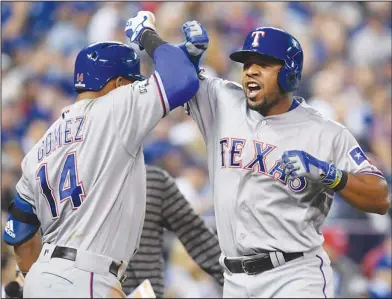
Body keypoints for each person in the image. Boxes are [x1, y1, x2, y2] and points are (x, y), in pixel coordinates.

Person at [178, 21, 390, 297]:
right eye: (247, 64)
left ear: (289, 74)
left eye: (263, 64)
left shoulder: (325, 132)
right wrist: (183, 54)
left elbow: (380, 197)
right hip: (234, 280)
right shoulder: (223, 101)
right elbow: (176, 80)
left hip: (293, 276)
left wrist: (331, 175)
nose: (251, 71)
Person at [2, 11, 199, 298]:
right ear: (118, 84)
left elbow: (20, 237)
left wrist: (43, 282)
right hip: (90, 275)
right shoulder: (115, 108)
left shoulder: (39, 147)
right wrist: (147, 36)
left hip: (42, 276)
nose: (136, 88)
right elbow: (182, 78)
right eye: (133, 82)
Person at [123, 165, 224, 297]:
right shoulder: (89, 178)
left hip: (145, 291)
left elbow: (197, 236)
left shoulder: (155, 181)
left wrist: (239, 280)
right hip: (95, 288)